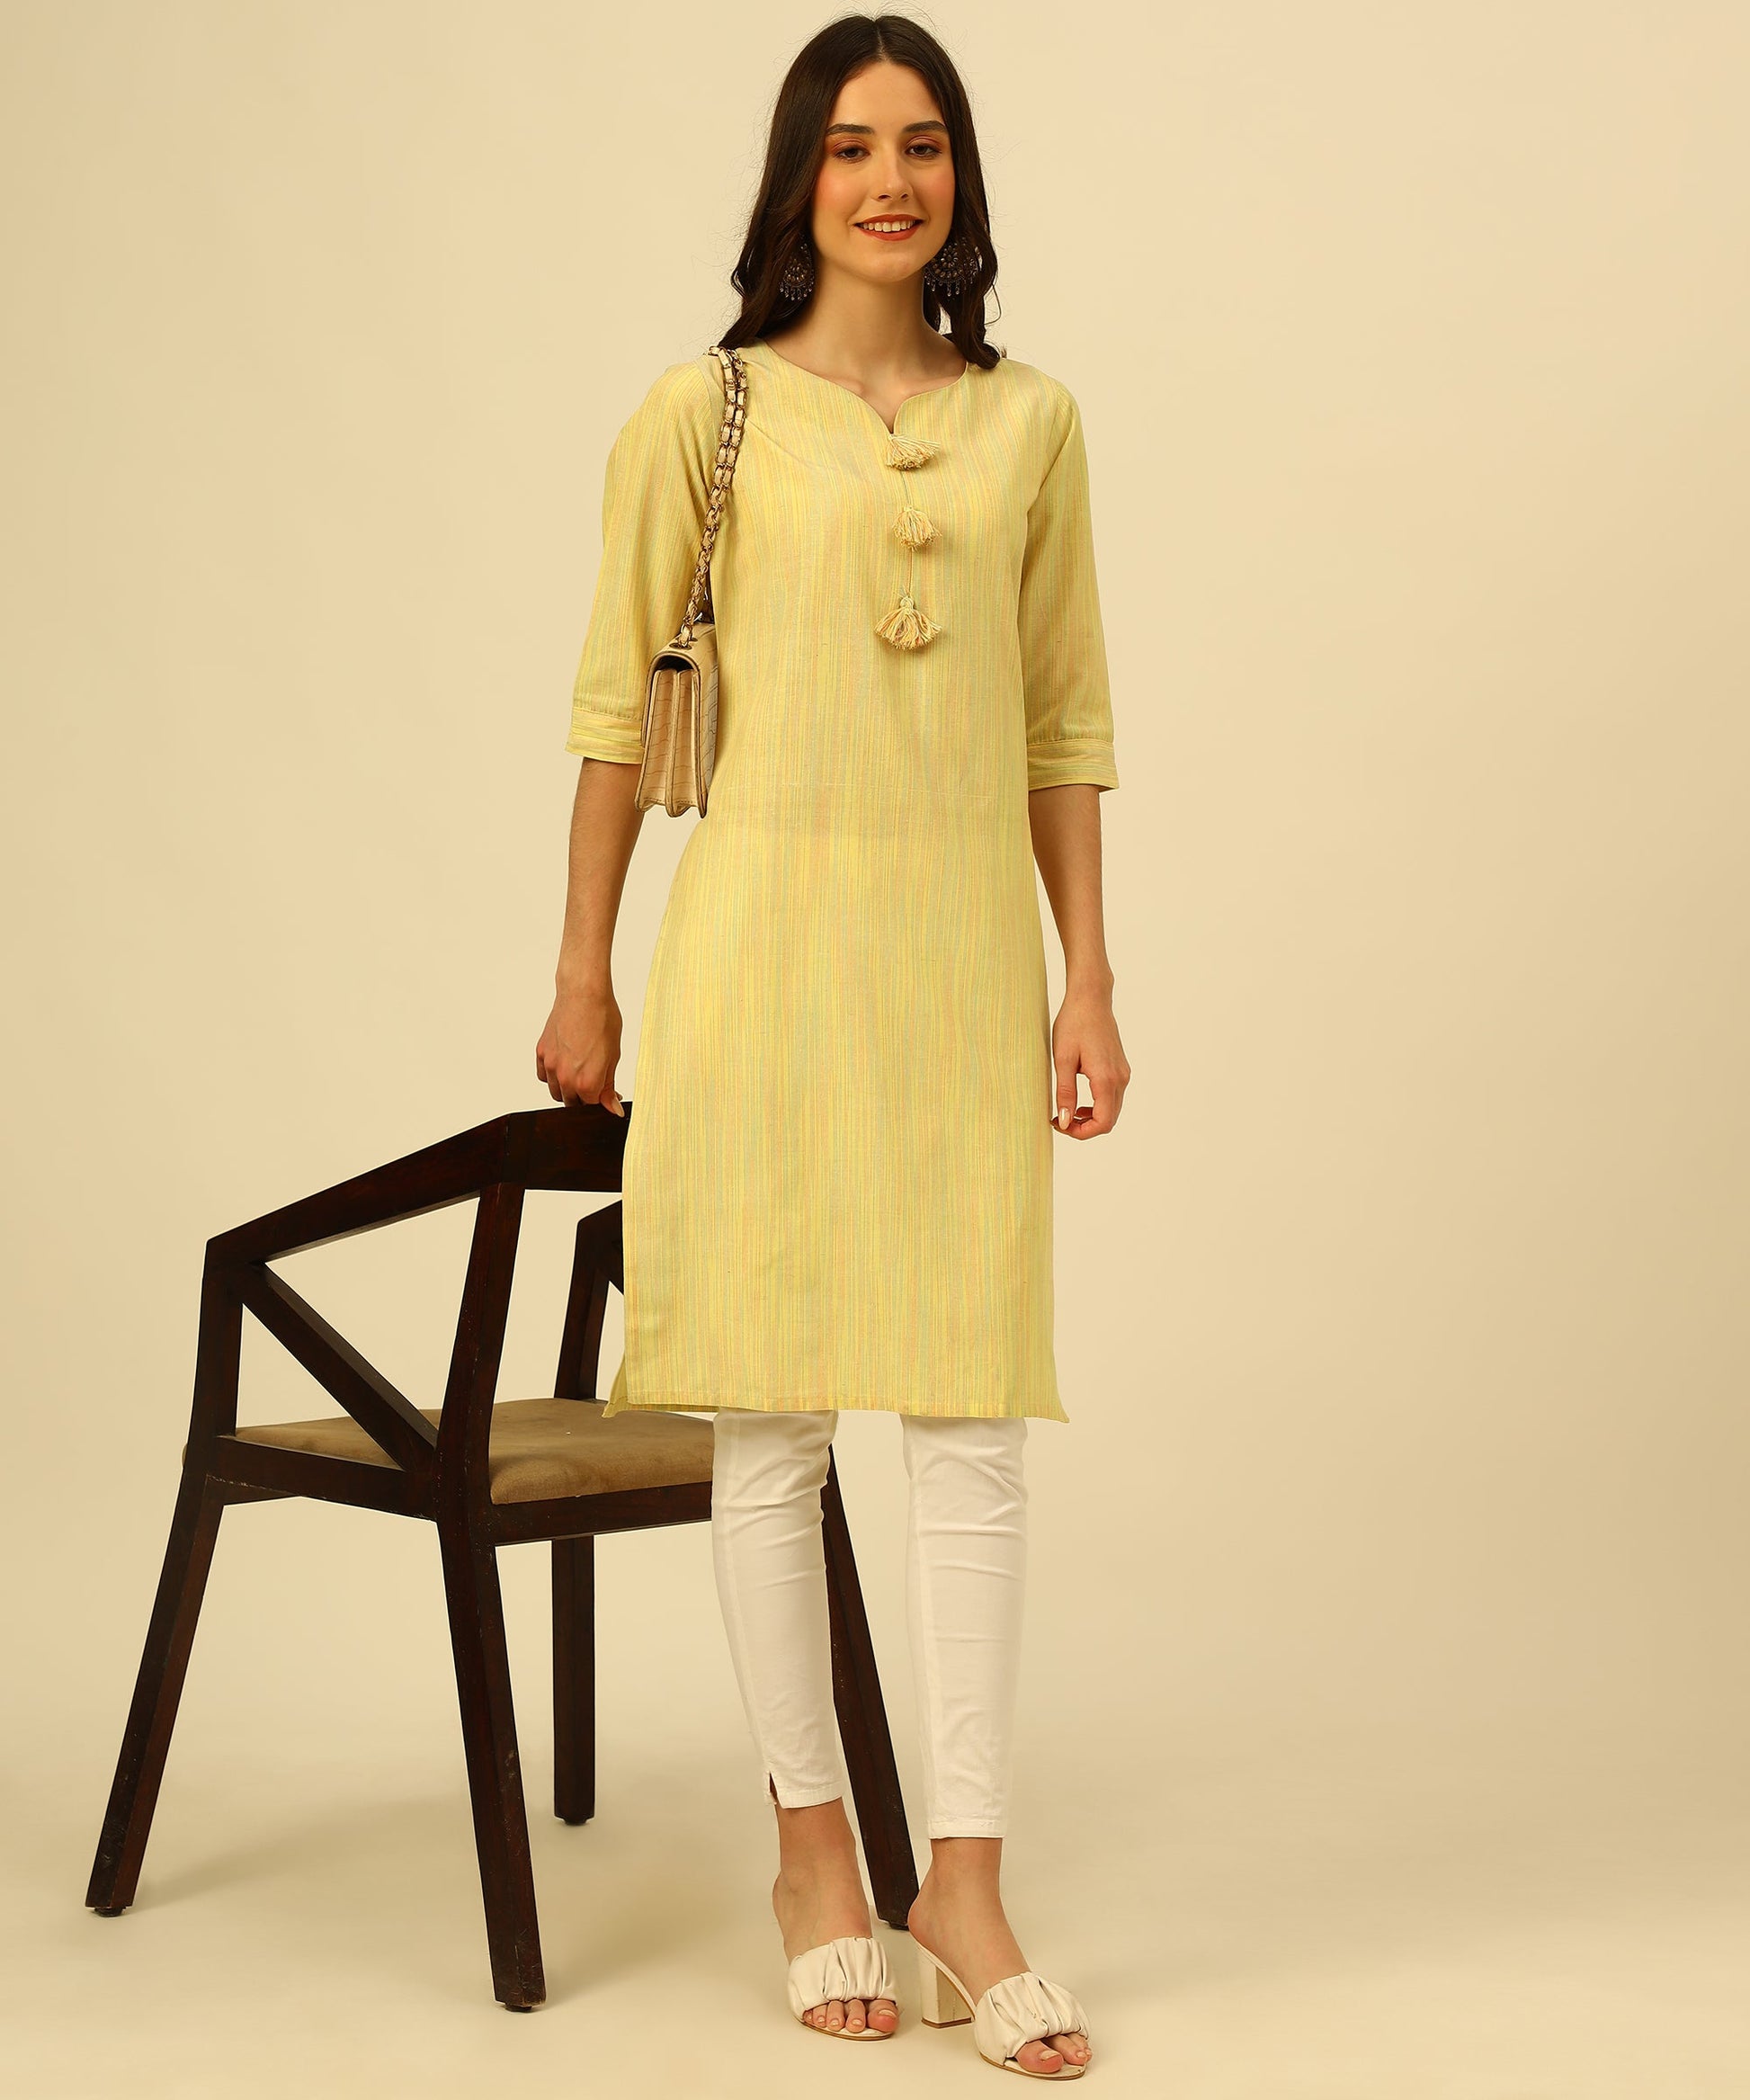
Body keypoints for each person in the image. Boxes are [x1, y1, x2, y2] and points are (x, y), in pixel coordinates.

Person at [536, 13, 1126, 2080]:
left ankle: (962, 1878)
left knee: (970, 1420)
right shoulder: (696, 417)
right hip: (758, 950)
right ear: (798, 175)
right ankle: (813, 1853)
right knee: (770, 1421)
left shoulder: (1031, 423)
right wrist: (585, 971)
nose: (892, 180)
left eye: (925, 144)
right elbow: (615, 717)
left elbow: (1064, 722)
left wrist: (1088, 976)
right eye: (854, 144)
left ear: (962, 179)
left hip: (957, 955)